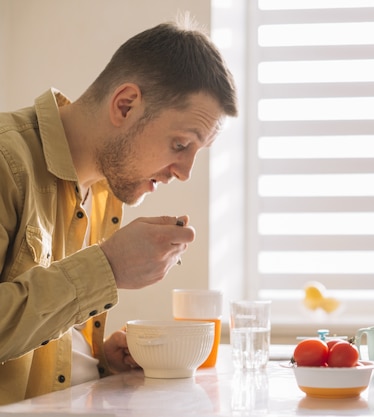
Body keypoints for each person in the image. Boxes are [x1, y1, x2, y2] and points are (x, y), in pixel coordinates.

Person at [0, 17, 237, 405]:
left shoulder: (106, 193)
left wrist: (96, 362)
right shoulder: (6, 161)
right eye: (180, 144)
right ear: (125, 105)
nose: (185, 172)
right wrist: (106, 268)